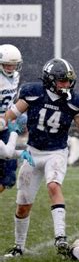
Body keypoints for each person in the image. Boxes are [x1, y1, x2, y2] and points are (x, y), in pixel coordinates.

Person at [3, 58, 79, 258]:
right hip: (32, 152)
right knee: (23, 204)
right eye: (61, 81)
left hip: (56, 151)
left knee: (53, 185)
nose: (66, 85)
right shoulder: (32, 92)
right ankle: (18, 246)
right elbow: (9, 116)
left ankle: (60, 237)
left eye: (68, 81)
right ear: (49, 80)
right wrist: (9, 124)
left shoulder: (76, 101)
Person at [0, 44, 23, 194]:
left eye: (13, 65)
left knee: (9, 176)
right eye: (7, 65)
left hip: (5, 125)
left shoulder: (15, 76)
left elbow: (13, 100)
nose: (10, 68)